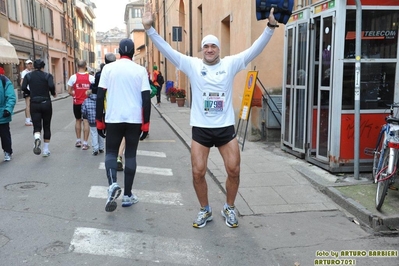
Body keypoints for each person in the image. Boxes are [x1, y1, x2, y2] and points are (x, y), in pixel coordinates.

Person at [142, 4, 277, 228]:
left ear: (219, 49)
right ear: (202, 49)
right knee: (198, 172)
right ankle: (205, 210)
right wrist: (149, 30)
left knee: (234, 169)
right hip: (201, 128)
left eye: (214, 46)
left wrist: (270, 28)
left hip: (225, 127)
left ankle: (229, 207)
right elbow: (167, 50)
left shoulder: (230, 64)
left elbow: (254, 49)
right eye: (206, 46)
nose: (210, 49)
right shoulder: (192, 65)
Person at [97, 38, 151, 212]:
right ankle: (127, 195)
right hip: (134, 119)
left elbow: (99, 96)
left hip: (113, 118)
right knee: (131, 155)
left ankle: (113, 184)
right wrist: (146, 125)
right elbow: (146, 100)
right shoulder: (140, 70)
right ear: (134, 52)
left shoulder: (108, 68)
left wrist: (99, 121)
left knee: (111, 153)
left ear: (119, 51)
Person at [21, 59, 57, 157]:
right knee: (46, 125)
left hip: (34, 103)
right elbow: (51, 85)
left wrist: (29, 93)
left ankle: (37, 137)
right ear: (43, 67)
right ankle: (46, 150)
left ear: (33, 66)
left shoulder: (28, 76)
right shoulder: (47, 76)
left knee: (37, 126)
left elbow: (23, 87)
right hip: (46, 102)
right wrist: (53, 93)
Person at [67, 60, 94, 150]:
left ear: (77, 66)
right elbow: (93, 90)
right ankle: (85, 143)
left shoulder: (73, 77)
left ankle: (78, 140)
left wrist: (74, 94)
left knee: (78, 120)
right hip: (87, 103)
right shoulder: (91, 78)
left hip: (77, 102)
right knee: (86, 122)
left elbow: (69, 91)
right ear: (85, 66)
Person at [0, 67, 16, 161]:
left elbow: (11, 96)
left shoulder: (4, 80)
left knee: (4, 135)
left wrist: (8, 109)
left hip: (2, 113)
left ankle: (7, 151)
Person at [81, 89, 104, 155]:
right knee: (100, 133)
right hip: (100, 119)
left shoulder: (86, 101)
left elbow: (83, 110)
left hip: (91, 120)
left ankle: (95, 149)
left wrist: (86, 116)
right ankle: (101, 148)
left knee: (94, 133)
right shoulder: (100, 100)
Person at [20, 59, 33, 126]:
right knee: (28, 105)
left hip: (31, 90)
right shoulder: (24, 72)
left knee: (30, 105)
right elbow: (22, 82)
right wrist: (24, 89)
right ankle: (27, 120)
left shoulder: (31, 72)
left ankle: (28, 119)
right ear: (26, 65)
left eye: (31, 64)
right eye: (29, 64)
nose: (30, 65)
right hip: (27, 90)